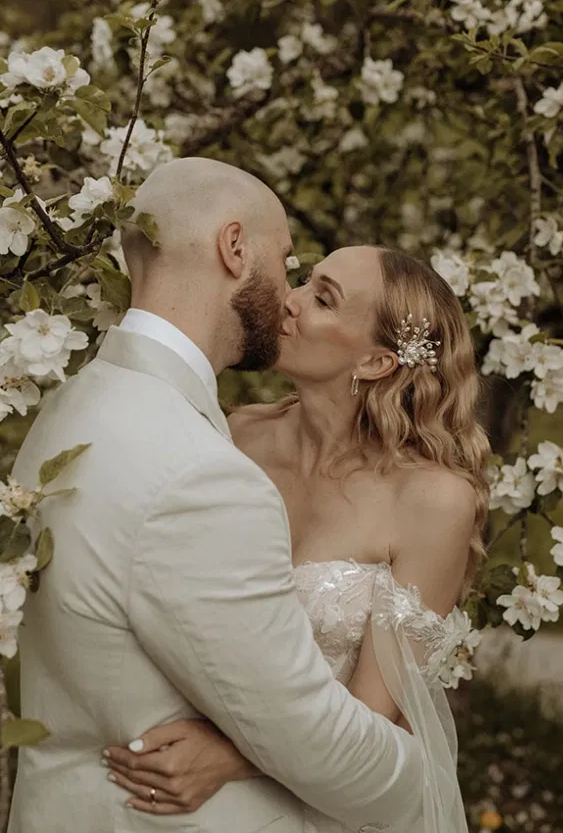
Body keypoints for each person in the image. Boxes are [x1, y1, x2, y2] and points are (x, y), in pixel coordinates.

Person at [8, 158, 426, 833]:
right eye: (287, 262)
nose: (287, 293)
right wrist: (423, 778)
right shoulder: (203, 475)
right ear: (235, 249)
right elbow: (307, 735)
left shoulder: (69, 408)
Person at [104, 243, 491, 833]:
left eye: (323, 299)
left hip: (326, 803)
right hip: (182, 791)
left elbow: (374, 718)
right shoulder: (232, 437)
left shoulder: (432, 502)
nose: (288, 300)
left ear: (376, 363)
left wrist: (234, 756)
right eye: (306, 281)